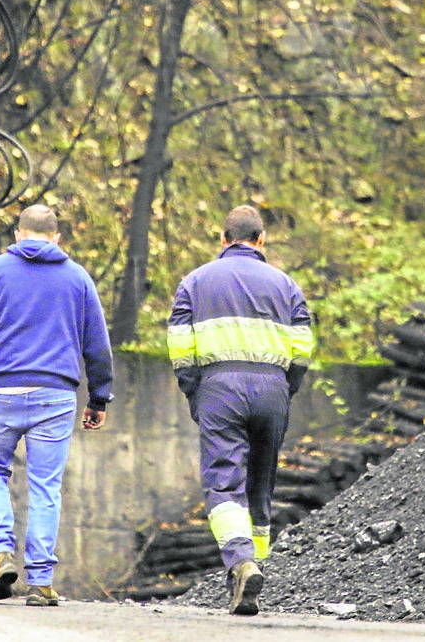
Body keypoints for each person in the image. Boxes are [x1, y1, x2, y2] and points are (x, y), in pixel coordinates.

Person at [0, 204, 114, 607]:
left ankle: (0, 553)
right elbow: (97, 344)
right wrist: (98, 397)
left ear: (18, 235)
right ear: (56, 237)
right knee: (45, 486)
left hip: (0, 390)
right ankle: (40, 581)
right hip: (55, 395)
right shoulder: (77, 277)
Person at [166, 205, 314, 615]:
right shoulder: (287, 285)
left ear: (222, 237)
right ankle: (253, 569)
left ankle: (241, 561)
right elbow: (302, 348)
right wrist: (286, 391)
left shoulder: (194, 282)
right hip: (272, 388)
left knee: (223, 484)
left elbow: (180, 348)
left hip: (219, 387)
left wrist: (195, 394)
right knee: (260, 485)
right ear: (262, 239)